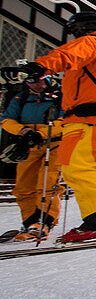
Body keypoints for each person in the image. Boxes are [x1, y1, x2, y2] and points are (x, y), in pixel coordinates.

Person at [0, 12, 96, 243]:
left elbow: (66, 55)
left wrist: (37, 67)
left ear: (80, 30)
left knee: (77, 168)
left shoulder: (92, 42)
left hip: (87, 118)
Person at [0, 76, 62, 240]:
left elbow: (66, 120)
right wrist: (23, 131)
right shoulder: (22, 98)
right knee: (23, 186)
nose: (37, 85)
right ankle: (29, 222)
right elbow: (6, 119)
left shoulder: (60, 95)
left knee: (47, 183)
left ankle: (45, 222)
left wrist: (42, 134)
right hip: (28, 143)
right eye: (31, 81)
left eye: (40, 80)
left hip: (53, 144)